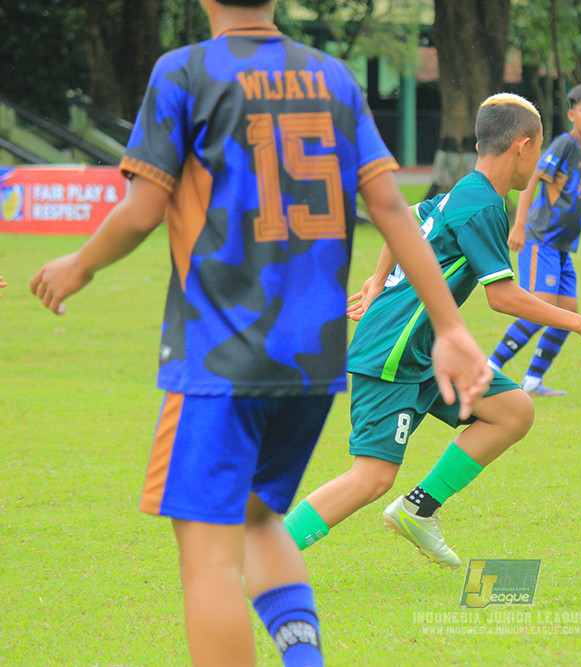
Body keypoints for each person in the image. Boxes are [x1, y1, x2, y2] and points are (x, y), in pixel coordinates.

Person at [29, 0, 492, 664]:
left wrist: (78, 263)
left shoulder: (184, 72)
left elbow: (140, 210)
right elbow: (391, 204)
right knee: (256, 521)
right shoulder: (331, 76)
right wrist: (449, 323)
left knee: (209, 558)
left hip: (219, 356)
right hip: (312, 361)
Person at [283, 93, 581, 567]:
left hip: (426, 352)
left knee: (512, 410)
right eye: (541, 147)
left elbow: (402, 219)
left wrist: (380, 278)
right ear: (523, 147)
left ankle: (417, 510)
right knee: (371, 477)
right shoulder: (483, 206)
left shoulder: (465, 190)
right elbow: (502, 296)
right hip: (393, 352)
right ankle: (268, 553)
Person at [485, 83, 581, 397]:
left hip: (561, 246)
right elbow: (533, 180)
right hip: (540, 238)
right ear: (572, 114)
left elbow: (575, 196)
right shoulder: (563, 145)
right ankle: (488, 368)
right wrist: (518, 225)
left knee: (567, 312)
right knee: (541, 305)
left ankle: (532, 380)